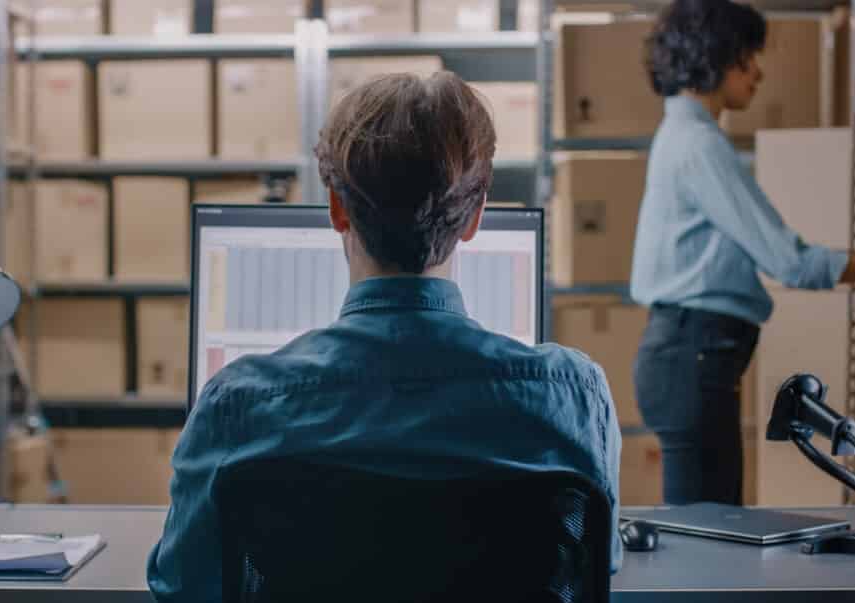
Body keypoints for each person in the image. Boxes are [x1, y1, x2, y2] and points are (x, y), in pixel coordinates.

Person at [147, 71, 622, 601]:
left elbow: (184, 587)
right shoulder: (574, 397)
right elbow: (598, 562)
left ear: (336, 209)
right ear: (475, 216)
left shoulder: (237, 408)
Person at [631, 0, 855, 506]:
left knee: (709, 531)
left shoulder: (686, 136)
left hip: (690, 354)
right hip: (694, 355)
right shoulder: (698, 144)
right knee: (708, 538)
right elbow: (790, 261)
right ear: (715, 57)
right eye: (746, 57)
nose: (758, 72)